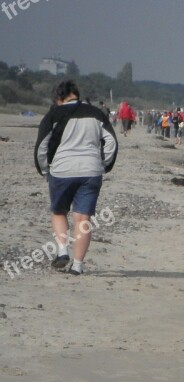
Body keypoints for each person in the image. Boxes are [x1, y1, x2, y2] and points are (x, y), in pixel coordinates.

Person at [34, 80, 118, 275]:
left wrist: (45, 169)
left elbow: (41, 147)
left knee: (59, 212)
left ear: (58, 97)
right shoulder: (97, 113)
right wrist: (104, 164)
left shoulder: (53, 114)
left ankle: (62, 251)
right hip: (90, 171)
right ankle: (78, 266)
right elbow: (111, 142)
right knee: (83, 219)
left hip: (62, 170)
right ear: (76, 94)